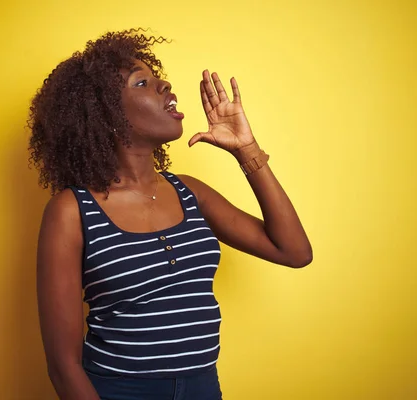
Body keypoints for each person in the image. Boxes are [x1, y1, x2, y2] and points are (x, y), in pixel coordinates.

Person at [28, 29, 312, 400]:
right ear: (108, 115)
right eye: (142, 82)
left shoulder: (189, 192)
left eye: (157, 77)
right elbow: (64, 365)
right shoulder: (71, 210)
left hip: (203, 388)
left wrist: (247, 149)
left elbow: (294, 252)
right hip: (118, 391)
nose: (164, 85)